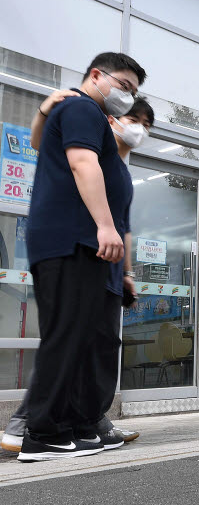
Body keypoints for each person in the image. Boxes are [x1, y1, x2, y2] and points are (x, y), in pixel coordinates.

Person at [2, 92, 153, 455]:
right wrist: (42, 110)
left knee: (95, 346)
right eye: (135, 121)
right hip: (80, 253)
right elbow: (42, 144)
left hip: (109, 266)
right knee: (69, 340)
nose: (140, 130)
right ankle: (29, 423)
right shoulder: (90, 153)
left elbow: (125, 227)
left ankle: (89, 421)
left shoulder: (119, 172)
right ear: (113, 121)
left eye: (147, 126)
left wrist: (128, 273)